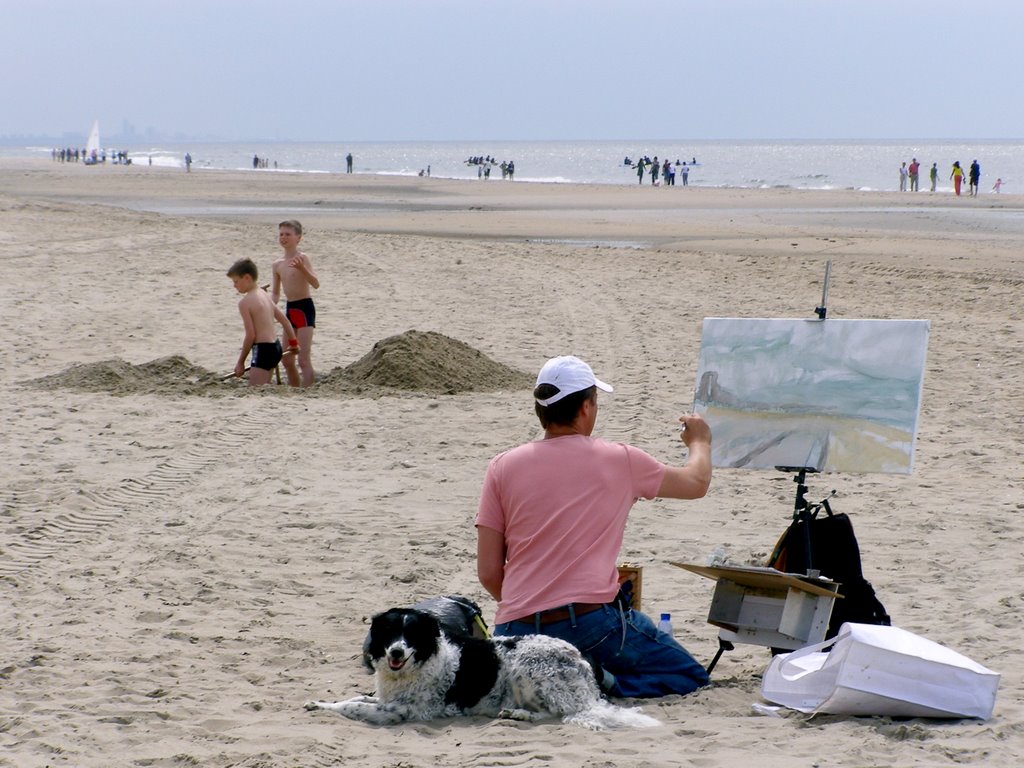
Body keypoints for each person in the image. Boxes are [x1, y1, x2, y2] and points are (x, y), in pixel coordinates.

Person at [475, 355, 713, 698]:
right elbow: (696, 482)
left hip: (515, 626)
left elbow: (488, 571)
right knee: (688, 676)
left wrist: (530, 606)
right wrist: (699, 442)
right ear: (585, 407)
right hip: (587, 622)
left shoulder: (501, 466)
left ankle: (581, 676)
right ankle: (603, 681)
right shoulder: (620, 459)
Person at [227, 258, 298, 387]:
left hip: (263, 350)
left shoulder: (245, 303)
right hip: (276, 348)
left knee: (255, 390)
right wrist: (293, 343)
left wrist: (240, 362)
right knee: (265, 388)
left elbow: (251, 336)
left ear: (247, 278)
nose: (234, 286)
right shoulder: (264, 294)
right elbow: (285, 321)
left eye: (236, 281)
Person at [271, 220, 319, 387]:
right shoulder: (277, 264)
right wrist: (268, 305)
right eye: (281, 234)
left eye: (288, 234)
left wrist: (302, 269)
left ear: (298, 238)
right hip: (290, 309)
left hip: (305, 308)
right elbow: (276, 292)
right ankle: (295, 390)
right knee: (287, 359)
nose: (283, 237)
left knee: (303, 359)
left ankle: (308, 392)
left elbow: (316, 283)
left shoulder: (302, 258)